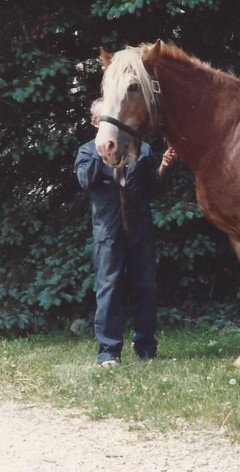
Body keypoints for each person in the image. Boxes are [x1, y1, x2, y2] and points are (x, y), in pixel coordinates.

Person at [74, 98, 177, 367]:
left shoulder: (141, 149)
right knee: (109, 288)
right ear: (96, 123)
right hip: (108, 233)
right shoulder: (86, 151)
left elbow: (151, 188)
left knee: (146, 286)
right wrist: (102, 153)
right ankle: (109, 352)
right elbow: (86, 181)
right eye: (105, 117)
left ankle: (145, 346)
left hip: (141, 230)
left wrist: (163, 166)